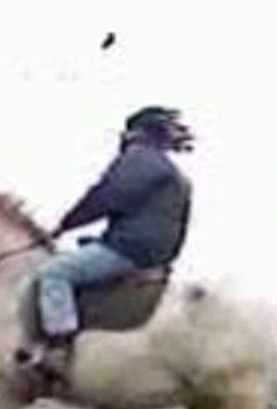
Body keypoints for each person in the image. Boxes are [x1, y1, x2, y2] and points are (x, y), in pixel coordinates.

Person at [19, 106, 195, 381]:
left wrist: (64, 225)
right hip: (151, 249)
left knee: (54, 272)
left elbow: (105, 197)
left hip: (130, 249)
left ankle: (58, 349)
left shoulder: (140, 160)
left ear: (136, 133)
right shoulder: (168, 169)